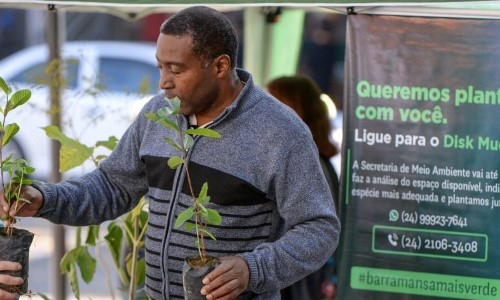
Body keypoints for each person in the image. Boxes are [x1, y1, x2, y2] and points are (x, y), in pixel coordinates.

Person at [1, 6, 340, 300]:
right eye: (160, 66)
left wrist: (253, 269)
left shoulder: (280, 131)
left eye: (176, 70)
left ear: (220, 66)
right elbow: (112, 186)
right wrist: (45, 199)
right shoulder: (157, 116)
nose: (163, 82)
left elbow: (319, 228)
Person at [267, 75, 340, 300]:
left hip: (297, 286)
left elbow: (313, 233)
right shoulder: (320, 161)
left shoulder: (310, 164)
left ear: (292, 112)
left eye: (270, 104)